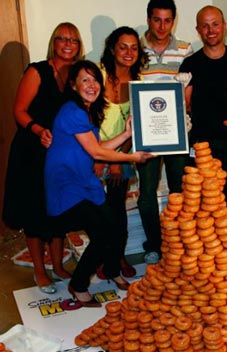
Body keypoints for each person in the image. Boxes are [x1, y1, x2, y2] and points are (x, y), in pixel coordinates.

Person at [44, 60, 154, 307]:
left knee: (112, 229)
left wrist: (126, 134)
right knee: (105, 232)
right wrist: (132, 157)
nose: (92, 85)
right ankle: (79, 284)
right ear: (73, 85)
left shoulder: (85, 112)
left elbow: (97, 147)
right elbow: (97, 153)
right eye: (85, 80)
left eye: (95, 80)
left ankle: (111, 270)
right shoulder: (72, 111)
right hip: (67, 184)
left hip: (83, 182)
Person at [2, 22, 84, 294]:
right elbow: (20, 110)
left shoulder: (77, 75)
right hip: (33, 151)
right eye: (62, 38)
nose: (68, 43)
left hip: (62, 154)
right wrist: (39, 130)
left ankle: (59, 266)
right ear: (54, 42)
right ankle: (40, 271)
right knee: (35, 212)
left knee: (59, 210)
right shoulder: (37, 71)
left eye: (73, 39)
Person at [179, 5, 227, 219]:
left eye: (215, 24)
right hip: (200, 141)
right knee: (200, 196)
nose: (211, 30)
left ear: (224, 26)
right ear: (198, 30)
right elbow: (187, 105)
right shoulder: (190, 63)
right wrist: (183, 113)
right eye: (205, 26)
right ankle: (203, 247)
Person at [137, 0, 193, 264]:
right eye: (157, 19)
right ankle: (154, 245)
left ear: (174, 21)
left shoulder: (185, 49)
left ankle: (176, 242)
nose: (162, 26)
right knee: (147, 193)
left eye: (167, 20)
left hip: (177, 131)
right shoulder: (134, 48)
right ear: (148, 19)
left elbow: (189, 93)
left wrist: (187, 114)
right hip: (145, 132)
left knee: (178, 191)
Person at [94, 26, 149, 279]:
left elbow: (136, 126)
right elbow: (86, 119)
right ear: (112, 48)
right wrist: (97, 155)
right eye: (123, 47)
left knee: (117, 210)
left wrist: (117, 160)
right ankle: (99, 256)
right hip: (92, 151)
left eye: (134, 47)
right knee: (96, 211)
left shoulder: (139, 82)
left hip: (123, 153)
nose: (129, 52)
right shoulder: (97, 74)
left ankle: (117, 257)